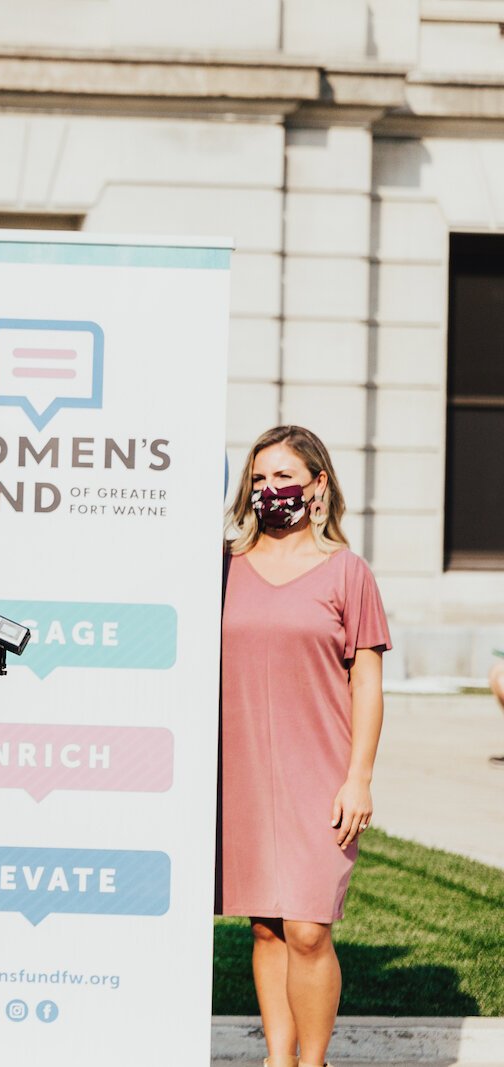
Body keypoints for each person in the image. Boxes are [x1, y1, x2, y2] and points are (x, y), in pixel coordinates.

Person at [217, 425, 391, 1067]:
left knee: (309, 928)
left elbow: (367, 682)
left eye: (285, 476)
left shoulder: (348, 572)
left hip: (320, 771)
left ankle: (312, 1062)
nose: (270, 489)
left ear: (318, 484)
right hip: (239, 773)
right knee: (266, 926)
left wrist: (359, 777)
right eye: (260, 478)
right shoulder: (221, 568)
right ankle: (277, 1060)